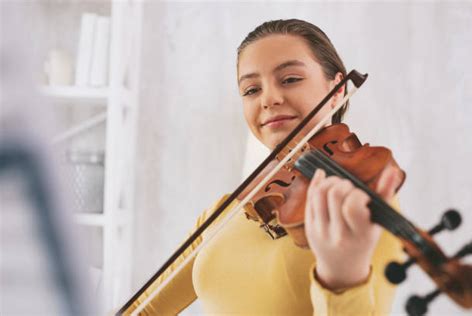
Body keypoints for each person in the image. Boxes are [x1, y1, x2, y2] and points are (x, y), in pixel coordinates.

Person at [122, 19, 404, 315]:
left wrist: (341, 279)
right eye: (251, 89)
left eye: (290, 79)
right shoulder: (228, 211)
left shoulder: (361, 207)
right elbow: (146, 309)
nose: (269, 99)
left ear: (336, 90)